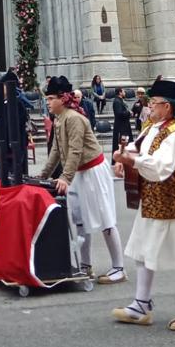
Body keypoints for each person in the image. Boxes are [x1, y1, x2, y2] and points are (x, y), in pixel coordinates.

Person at [111, 79, 175, 331]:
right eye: (149, 102)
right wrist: (122, 159)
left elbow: (162, 167)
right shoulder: (151, 127)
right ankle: (141, 304)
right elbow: (136, 147)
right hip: (151, 199)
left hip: (173, 201)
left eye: (154, 103)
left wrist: (132, 161)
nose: (149, 106)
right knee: (143, 251)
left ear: (168, 106)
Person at [40, 78, 126, 284]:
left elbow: (76, 150)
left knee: (106, 218)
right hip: (79, 173)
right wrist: (43, 175)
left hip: (93, 171)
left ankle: (119, 267)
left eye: (51, 99)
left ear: (63, 98)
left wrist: (65, 178)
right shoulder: (60, 118)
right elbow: (57, 151)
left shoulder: (74, 118)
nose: (48, 103)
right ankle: (86, 265)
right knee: (80, 221)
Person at [112, 87, 133, 153]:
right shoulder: (117, 101)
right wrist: (129, 112)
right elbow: (119, 113)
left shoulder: (120, 100)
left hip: (124, 125)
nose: (125, 93)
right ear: (120, 93)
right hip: (121, 127)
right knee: (121, 143)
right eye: (123, 91)